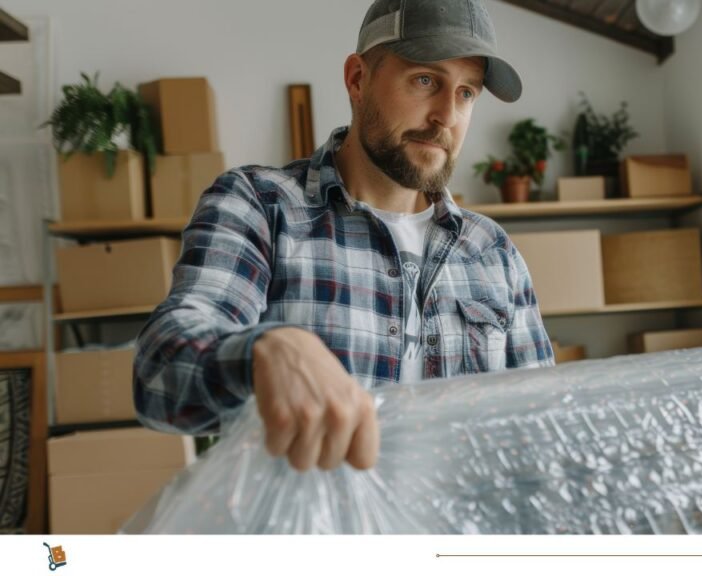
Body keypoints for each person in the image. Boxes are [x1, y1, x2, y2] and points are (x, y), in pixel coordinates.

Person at [133, 0, 555, 474]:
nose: (446, 116)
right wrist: (264, 351)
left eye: (466, 93)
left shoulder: (492, 252)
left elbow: (539, 431)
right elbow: (159, 376)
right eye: (425, 81)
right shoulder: (260, 205)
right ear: (358, 79)